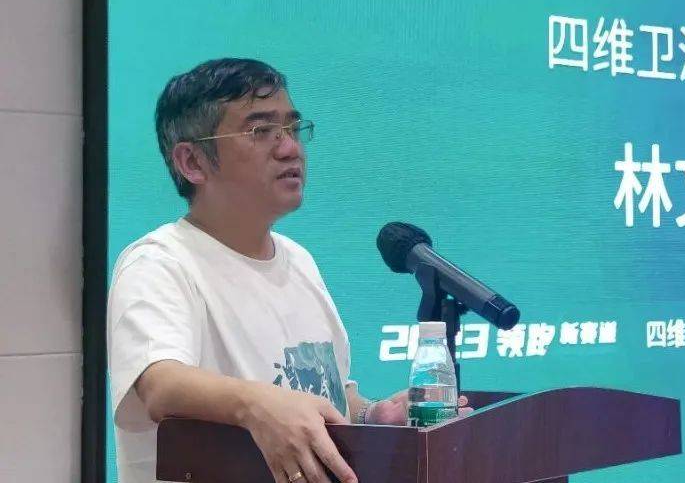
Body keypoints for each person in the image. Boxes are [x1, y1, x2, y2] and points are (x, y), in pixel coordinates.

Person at [107, 58, 468, 483]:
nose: (290, 149)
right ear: (192, 162)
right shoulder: (160, 263)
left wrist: (373, 415)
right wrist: (257, 405)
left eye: (293, 129)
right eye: (261, 131)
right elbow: (161, 384)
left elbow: (328, 394)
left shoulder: (298, 260)